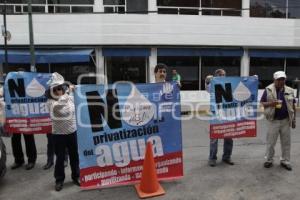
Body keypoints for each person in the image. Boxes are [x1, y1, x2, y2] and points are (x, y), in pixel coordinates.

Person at [46, 72, 79, 191]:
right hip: (58, 135)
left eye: (60, 88)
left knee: (74, 156)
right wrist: (69, 92)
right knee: (60, 158)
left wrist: (76, 90)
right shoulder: (51, 103)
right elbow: (59, 107)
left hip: (72, 132)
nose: (58, 91)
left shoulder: (69, 97)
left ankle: (76, 176)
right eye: (55, 89)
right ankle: (59, 180)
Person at [260, 71, 296, 171]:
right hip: (273, 120)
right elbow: (262, 103)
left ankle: (285, 161)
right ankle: (269, 160)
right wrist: (272, 103)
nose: (281, 81)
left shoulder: (290, 90)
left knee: (286, 142)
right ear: (274, 80)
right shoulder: (268, 89)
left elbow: (293, 105)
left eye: (283, 79)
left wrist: (293, 120)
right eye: (279, 79)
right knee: (271, 142)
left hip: (285, 121)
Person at [10, 68, 37, 170]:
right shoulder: (11, 84)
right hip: (15, 116)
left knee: (28, 138)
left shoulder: (30, 85)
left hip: (26, 116)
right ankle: (18, 160)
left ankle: (31, 160)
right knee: (15, 139)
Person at [208, 69, 234, 167]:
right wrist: (207, 80)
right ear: (216, 76)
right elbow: (207, 87)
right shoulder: (212, 84)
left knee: (229, 137)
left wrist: (253, 79)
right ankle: (212, 158)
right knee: (214, 138)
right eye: (220, 74)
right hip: (216, 114)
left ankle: (227, 157)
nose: (222, 76)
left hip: (228, 114)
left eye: (224, 74)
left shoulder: (230, 83)